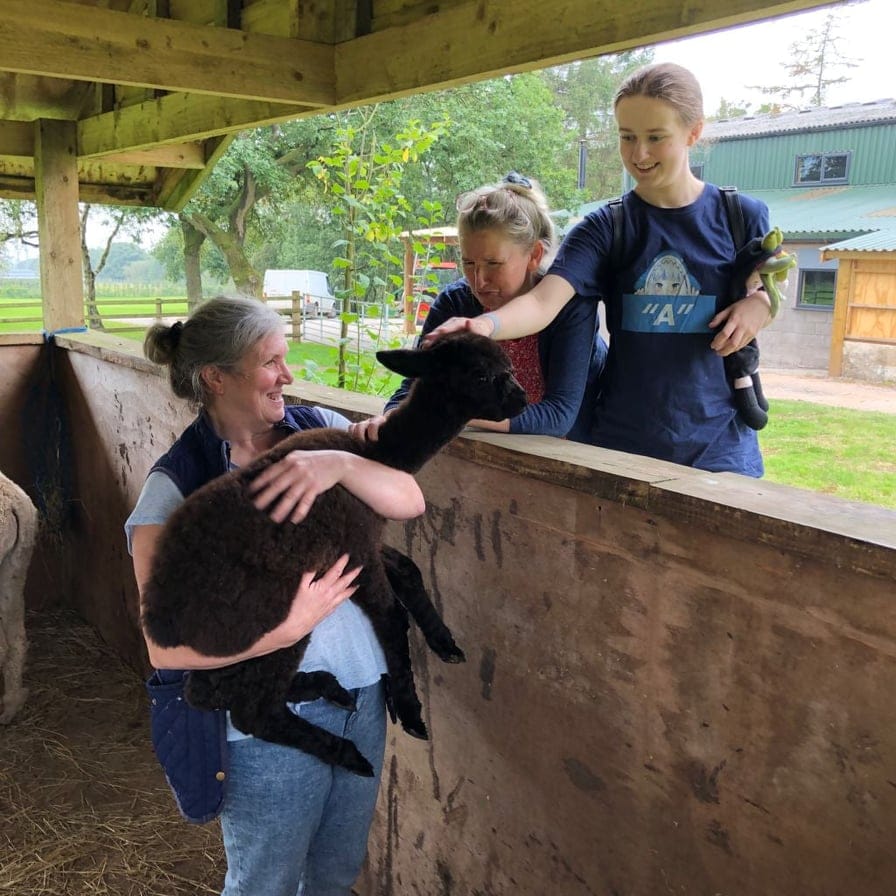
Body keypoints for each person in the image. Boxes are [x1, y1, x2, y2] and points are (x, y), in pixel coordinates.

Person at [125, 295, 426, 896]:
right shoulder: (177, 486)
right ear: (216, 377)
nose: (288, 375)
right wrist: (287, 631)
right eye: (271, 361)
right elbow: (165, 649)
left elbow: (408, 499)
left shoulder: (317, 430)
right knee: (266, 881)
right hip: (264, 723)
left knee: (335, 874)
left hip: (359, 693)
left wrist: (339, 464)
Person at [424, 64, 774, 478]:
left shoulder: (742, 216)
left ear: (693, 132)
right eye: (627, 137)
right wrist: (484, 326)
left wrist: (759, 307)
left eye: (655, 138)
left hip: (722, 448)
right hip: (623, 442)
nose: (638, 154)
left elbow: (766, 286)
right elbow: (542, 301)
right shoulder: (605, 227)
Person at [350, 172, 607, 444]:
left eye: (493, 263)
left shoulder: (570, 308)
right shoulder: (455, 303)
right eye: (469, 263)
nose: (479, 280)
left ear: (534, 256)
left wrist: (450, 410)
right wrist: (391, 417)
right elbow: (416, 380)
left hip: (573, 456)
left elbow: (558, 416)